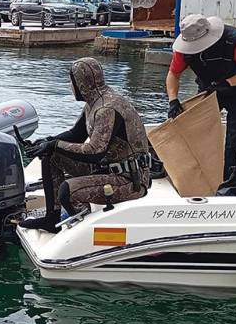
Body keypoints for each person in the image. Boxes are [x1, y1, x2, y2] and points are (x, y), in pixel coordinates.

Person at [20, 58, 151, 232]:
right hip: (106, 168)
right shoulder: (95, 102)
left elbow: (95, 151)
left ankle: (81, 222)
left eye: (71, 81)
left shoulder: (107, 108)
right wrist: (46, 142)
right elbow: (77, 134)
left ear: (81, 84)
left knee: (67, 190)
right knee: (50, 156)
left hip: (129, 180)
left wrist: (55, 144)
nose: (69, 85)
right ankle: (51, 219)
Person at [166, 14, 236, 179]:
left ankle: (231, 174)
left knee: (235, 136)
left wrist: (228, 83)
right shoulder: (184, 49)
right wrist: (173, 100)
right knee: (198, 128)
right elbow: (173, 74)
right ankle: (201, 170)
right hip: (209, 88)